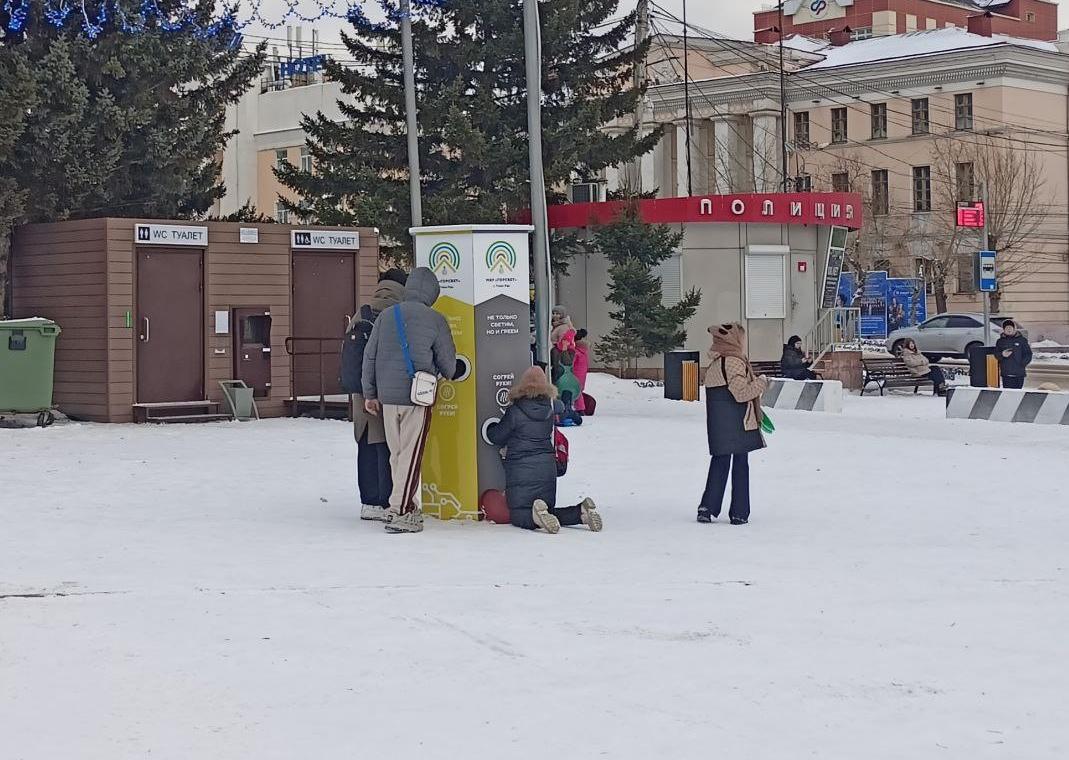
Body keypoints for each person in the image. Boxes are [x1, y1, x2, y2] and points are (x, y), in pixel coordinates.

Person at [362, 267, 458, 534]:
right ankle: (400, 511)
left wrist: (369, 393)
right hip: (417, 396)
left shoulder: (386, 316)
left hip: (386, 397)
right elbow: (448, 365)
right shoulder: (435, 319)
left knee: (398, 454)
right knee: (411, 455)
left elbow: (369, 356)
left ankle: (405, 503)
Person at [487, 367, 602, 534]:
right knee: (548, 511)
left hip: (522, 468)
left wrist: (488, 428)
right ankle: (581, 513)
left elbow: (497, 436)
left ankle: (535, 517)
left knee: (519, 515)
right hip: (547, 467)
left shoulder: (515, 411)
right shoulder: (550, 409)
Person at [342, 269, 407, 521]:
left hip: (361, 393)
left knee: (367, 445)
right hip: (389, 390)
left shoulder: (364, 312)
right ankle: (386, 499)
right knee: (388, 447)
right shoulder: (397, 313)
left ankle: (368, 501)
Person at [698, 323, 768, 526]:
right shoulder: (734, 362)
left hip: (719, 423)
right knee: (740, 466)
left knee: (719, 463)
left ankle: (707, 507)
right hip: (738, 422)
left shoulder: (714, 363)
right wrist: (761, 382)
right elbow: (741, 394)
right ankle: (739, 512)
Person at [995, 320, 1033, 389]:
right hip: (1006, 373)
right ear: (1004, 330)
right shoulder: (1000, 341)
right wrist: (1002, 354)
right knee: (1007, 394)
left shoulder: (1022, 340)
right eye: (1006, 328)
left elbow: (1028, 354)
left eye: (1010, 327)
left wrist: (1022, 364)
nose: (1009, 329)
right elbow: (996, 355)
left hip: (1019, 374)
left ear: (1014, 329)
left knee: (1018, 394)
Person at [573, 328, 590, 413]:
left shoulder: (576, 353)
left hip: (576, 375)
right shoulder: (584, 353)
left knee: (577, 392)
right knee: (578, 391)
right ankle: (580, 408)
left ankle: (580, 409)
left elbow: (571, 363)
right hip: (582, 375)